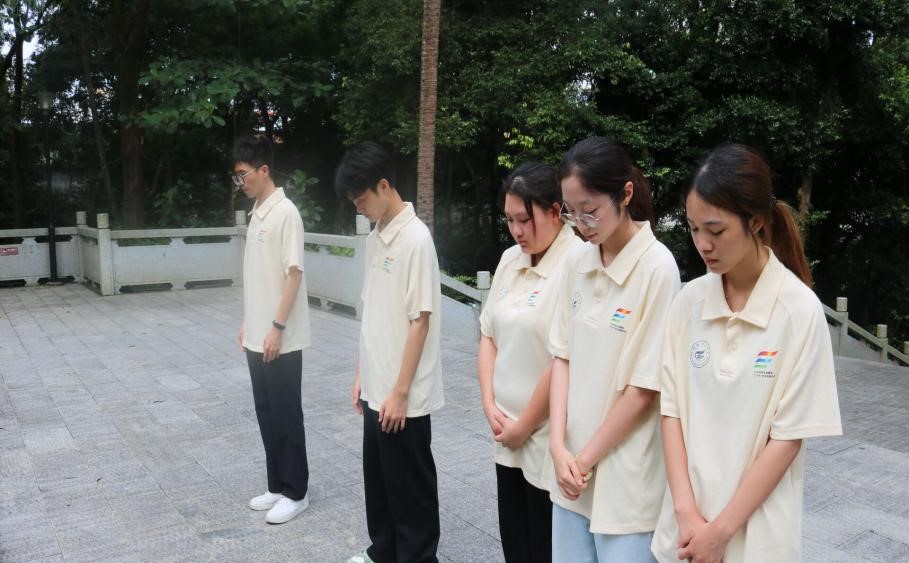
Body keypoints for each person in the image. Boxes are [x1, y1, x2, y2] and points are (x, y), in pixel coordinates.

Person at [650, 144, 842, 563]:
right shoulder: (688, 302)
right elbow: (671, 412)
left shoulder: (798, 311)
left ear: (755, 221)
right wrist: (686, 515)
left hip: (757, 542)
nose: (703, 244)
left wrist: (720, 532)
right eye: (693, 228)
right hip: (683, 535)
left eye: (715, 230)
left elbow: (787, 439)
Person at [548, 137, 680, 562]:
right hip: (569, 470)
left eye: (590, 211)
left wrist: (583, 460)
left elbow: (644, 389)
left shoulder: (657, 268)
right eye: (571, 212)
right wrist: (557, 446)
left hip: (625, 479)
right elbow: (562, 355)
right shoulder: (576, 261)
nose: (580, 224)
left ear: (625, 194)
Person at [335, 141, 444, 563]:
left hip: (404, 393)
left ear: (384, 186)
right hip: (376, 385)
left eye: (361, 199)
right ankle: (383, 551)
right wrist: (361, 374)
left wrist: (400, 393)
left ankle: (417, 557)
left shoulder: (415, 239)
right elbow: (373, 313)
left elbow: (421, 321)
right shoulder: (376, 238)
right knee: (379, 479)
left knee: (410, 486)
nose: (359, 208)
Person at [478, 162, 583, 563]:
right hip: (505, 429)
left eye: (525, 219)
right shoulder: (511, 259)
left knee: (544, 543)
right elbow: (488, 334)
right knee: (514, 538)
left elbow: (563, 356)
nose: (517, 230)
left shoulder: (578, 261)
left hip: (546, 435)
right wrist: (489, 403)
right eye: (509, 220)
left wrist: (524, 425)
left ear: (555, 211)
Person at [233, 135, 312, 524]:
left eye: (243, 174)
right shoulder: (257, 213)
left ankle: (297, 492)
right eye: (236, 176)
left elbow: (293, 274)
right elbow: (259, 277)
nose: (240, 182)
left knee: (286, 412)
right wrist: (249, 322)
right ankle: (277, 484)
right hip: (257, 334)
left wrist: (277, 327)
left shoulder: (286, 213)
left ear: (264, 170)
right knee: (266, 410)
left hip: (282, 336)